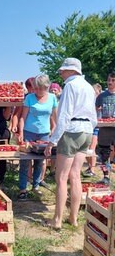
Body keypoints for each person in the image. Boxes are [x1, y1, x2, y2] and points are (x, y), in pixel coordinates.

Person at [44, 58, 97, 230]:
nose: (61, 73)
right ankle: (73, 218)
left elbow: (64, 116)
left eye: (63, 70)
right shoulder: (89, 87)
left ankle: (57, 220)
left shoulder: (70, 86)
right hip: (87, 130)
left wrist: (52, 141)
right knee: (75, 176)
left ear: (72, 70)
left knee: (61, 177)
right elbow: (93, 115)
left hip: (72, 131)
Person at [17, 74, 57, 200]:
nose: (38, 91)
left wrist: (54, 131)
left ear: (47, 87)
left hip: (44, 134)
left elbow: (55, 118)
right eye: (36, 88)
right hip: (29, 132)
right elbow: (22, 117)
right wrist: (21, 133)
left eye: (41, 89)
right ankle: (23, 188)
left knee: (40, 161)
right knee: (25, 161)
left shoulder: (52, 98)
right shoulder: (29, 98)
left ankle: (36, 185)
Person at [95, 72, 115, 184]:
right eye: (109, 80)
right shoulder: (102, 96)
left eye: (113, 80)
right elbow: (94, 108)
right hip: (104, 128)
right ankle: (106, 176)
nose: (110, 82)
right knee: (103, 153)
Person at [83, 83, 103, 177]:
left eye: (95, 92)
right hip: (87, 126)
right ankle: (90, 166)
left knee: (92, 148)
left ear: (99, 93)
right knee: (86, 148)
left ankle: (93, 169)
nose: (94, 94)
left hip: (96, 127)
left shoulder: (100, 102)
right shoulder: (88, 101)